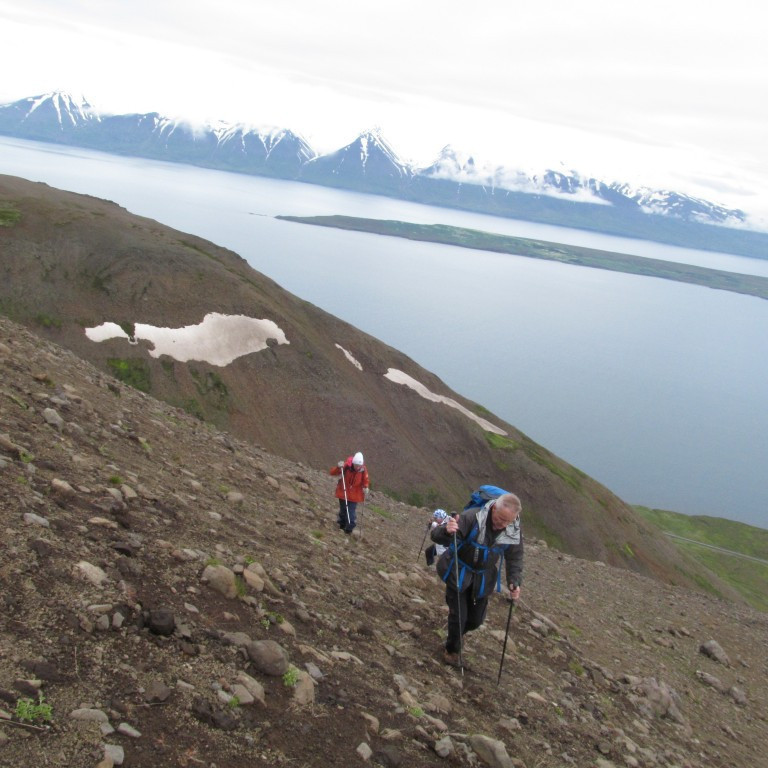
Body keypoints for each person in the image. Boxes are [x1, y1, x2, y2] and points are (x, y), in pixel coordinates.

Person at [431, 493, 523, 667]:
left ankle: (455, 635)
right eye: (500, 519)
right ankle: (452, 651)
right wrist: (446, 530)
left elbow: (515, 557)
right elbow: (436, 536)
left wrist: (514, 581)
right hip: (457, 571)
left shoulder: (513, 529)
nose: (502, 525)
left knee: (475, 620)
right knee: (459, 616)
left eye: (507, 521)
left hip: (482, 579)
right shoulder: (471, 517)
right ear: (493, 508)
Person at [329, 451, 370, 535]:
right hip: (343, 493)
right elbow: (332, 472)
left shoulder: (363, 469)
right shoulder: (346, 466)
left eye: (359, 465)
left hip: (354, 495)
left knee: (351, 512)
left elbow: (365, 480)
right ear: (353, 463)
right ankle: (341, 525)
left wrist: (366, 487)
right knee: (343, 510)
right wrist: (338, 467)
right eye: (356, 465)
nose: (357, 467)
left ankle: (349, 529)